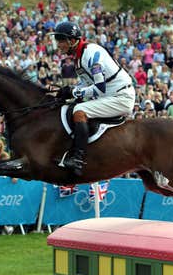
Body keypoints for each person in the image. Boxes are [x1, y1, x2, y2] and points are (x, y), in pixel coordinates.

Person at [51, 21, 135, 176]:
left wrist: (74, 92)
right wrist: (70, 91)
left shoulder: (90, 54)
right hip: (110, 94)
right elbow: (87, 84)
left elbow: (99, 87)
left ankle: (78, 158)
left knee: (79, 111)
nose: (59, 44)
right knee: (69, 106)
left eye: (61, 40)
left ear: (72, 40)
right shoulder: (79, 57)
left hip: (119, 97)